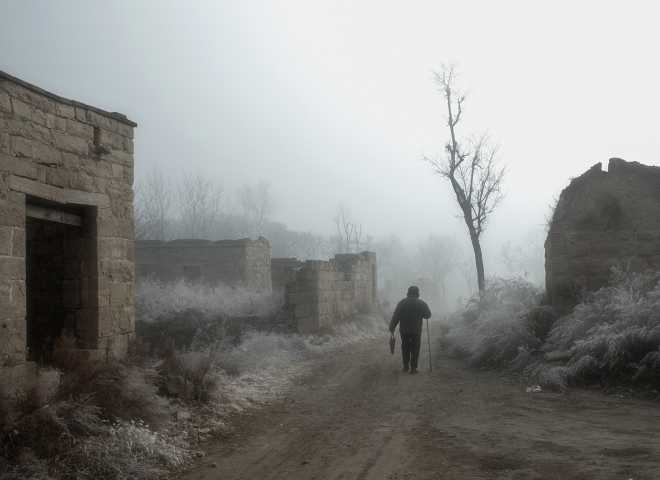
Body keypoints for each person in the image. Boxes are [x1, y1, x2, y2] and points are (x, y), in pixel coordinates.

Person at [389, 285, 432, 374]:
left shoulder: (402, 303)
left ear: (408, 292)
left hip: (404, 330)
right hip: (416, 330)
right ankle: (413, 368)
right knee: (415, 348)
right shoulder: (421, 303)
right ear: (417, 293)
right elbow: (428, 315)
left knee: (405, 347)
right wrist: (422, 313)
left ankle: (405, 366)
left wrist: (392, 327)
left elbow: (396, 316)